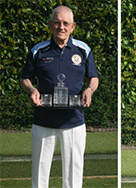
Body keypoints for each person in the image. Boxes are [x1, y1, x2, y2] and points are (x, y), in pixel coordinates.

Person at [21, 6, 99, 188]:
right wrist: (32, 90)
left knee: (73, 175)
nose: (61, 27)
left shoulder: (83, 49)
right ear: (50, 25)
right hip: (43, 120)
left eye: (65, 23)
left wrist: (89, 90)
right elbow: (25, 79)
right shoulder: (38, 51)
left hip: (74, 120)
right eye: (57, 23)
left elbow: (93, 78)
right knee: (39, 172)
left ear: (73, 26)